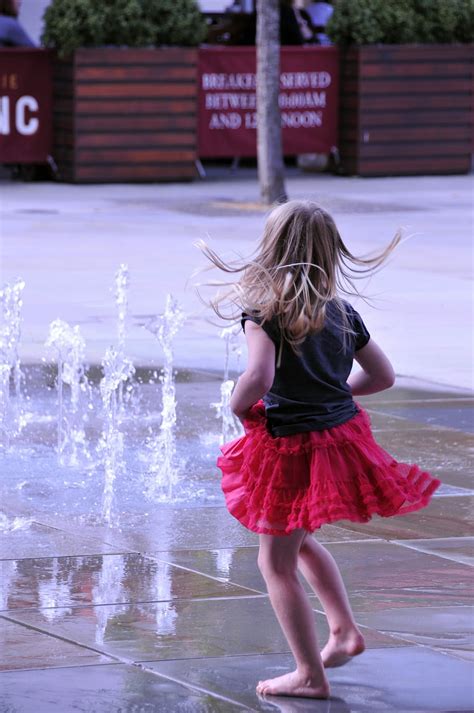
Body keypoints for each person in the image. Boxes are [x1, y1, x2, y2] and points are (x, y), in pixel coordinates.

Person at [199, 200, 441, 699]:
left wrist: (239, 406)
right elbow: (383, 376)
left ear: (271, 250)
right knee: (299, 539)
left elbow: (258, 376)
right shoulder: (342, 313)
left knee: (276, 562)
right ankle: (344, 632)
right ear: (330, 254)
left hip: (291, 445)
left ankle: (310, 674)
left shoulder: (265, 313)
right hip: (338, 438)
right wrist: (336, 395)